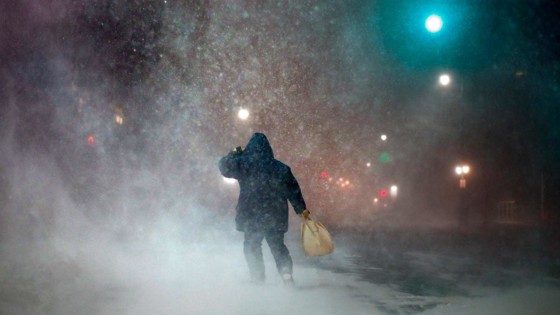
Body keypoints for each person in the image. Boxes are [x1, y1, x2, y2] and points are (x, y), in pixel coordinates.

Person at [219, 132, 310, 285]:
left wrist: (235, 153)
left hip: (251, 214)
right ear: (268, 148)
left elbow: (223, 167)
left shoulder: (244, 164)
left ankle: (257, 277)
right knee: (278, 246)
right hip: (275, 214)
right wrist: (301, 209)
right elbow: (293, 190)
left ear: (250, 148)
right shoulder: (281, 168)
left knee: (252, 245)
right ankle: (286, 273)